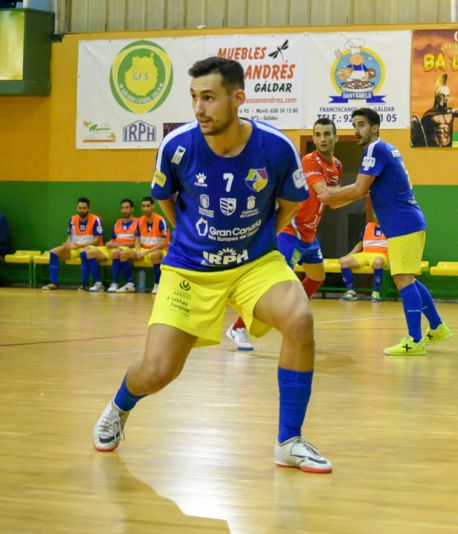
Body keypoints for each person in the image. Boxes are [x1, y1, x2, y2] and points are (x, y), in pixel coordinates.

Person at [92, 56, 331, 473]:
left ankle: (288, 441)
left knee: (299, 319)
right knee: (157, 372)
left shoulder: (276, 147)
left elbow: (292, 202)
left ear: (238, 98)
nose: (199, 108)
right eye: (194, 98)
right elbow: (166, 199)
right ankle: (119, 405)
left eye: (209, 98)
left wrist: (259, 238)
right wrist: (194, 238)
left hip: (254, 264)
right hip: (190, 269)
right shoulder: (178, 146)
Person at [319, 107, 453, 356]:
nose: (356, 130)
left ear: (375, 127)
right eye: (354, 125)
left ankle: (414, 340)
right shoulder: (386, 149)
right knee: (408, 278)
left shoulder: (376, 149)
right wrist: (334, 199)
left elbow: (359, 190)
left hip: (404, 223)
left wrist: (330, 196)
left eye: (361, 125)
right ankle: (437, 327)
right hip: (405, 223)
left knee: (403, 279)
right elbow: (363, 189)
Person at [225, 118, 342, 351]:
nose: (322, 139)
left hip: (310, 234)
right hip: (291, 231)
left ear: (336, 137)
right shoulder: (309, 162)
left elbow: (334, 203)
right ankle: (238, 327)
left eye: (327, 134)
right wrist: (363, 189)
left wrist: (354, 193)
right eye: (317, 134)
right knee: (272, 288)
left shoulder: (337, 165)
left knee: (317, 276)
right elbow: (325, 194)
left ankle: (291, 314)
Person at [41, 197, 105, 291]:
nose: (82, 210)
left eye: (84, 208)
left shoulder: (95, 219)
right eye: (80, 208)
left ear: (88, 208)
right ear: (77, 208)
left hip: (91, 248)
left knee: (84, 253)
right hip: (75, 248)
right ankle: (54, 283)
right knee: (54, 252)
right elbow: (69, 237)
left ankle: (84, 285)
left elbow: (97, 240)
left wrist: (79, 246)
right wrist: (67, 244)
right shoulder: (73, 219)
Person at [412, 74, 458, 147]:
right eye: (443, 95)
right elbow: (422, 137)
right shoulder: (429, 115)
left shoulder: (451, 112)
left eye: (447, 96)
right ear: (437, 97)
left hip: (449, 147)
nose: (445, 99)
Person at [339, 220, 388, 302]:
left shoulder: (392, 226)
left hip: (382, 254)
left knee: (377, 262)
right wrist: (349, 255)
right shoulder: (368, 226)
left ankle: (376, 292)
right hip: (365, 253)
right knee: (344, 261)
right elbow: (360, 244)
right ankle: (351, 291)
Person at [134, 196, 170, 294]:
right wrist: (138, 251)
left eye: (148, 206)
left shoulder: (160, 220)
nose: (145, 208)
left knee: (155, 255)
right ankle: (129, 284)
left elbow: (164, 243)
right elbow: (137, 239)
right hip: (144, 249)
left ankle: (157, 284)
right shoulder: (140, 220)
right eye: (143, 206)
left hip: (161, 250)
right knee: (124, 253)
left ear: (153, 206)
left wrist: (146, 251)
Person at [103, 198, 138, 293]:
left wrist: (117, 245)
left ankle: (116, 283)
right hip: (116, 247)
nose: (124, 210)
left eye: (127, 208)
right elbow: (112, 239)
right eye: (122, 208)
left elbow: (136, 242)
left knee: (116, 252)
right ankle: (126, 283)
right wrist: (109, 243)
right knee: (113, 251)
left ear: (132, 209)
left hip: (130, 248)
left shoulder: (138, 222)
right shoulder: (117, 222)